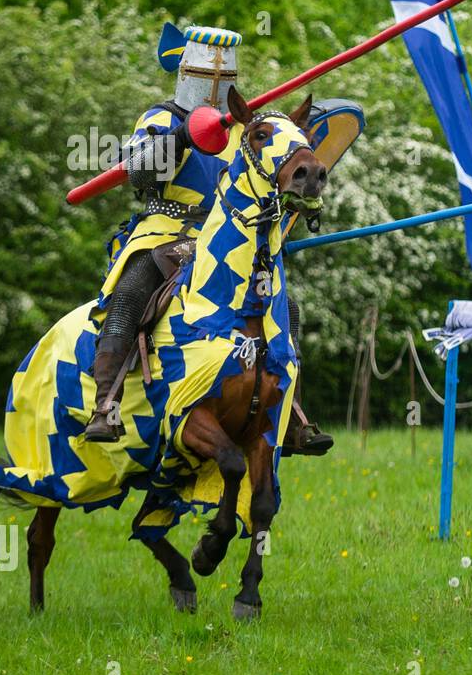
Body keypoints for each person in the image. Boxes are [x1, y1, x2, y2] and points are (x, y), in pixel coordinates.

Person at [84, 24, 335, 455]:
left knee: (285, 308)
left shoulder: (248, 129)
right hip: (166, 232)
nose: (215, 85)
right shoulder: (161, 118)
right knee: (131, 291)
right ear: (186, 73)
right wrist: (183, 137)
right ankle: (104, 404)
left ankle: (290, 412)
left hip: (229, 237)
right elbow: (136, 173)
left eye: (224, 78)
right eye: (207, 76)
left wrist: (299, 201)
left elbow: (271, 181)